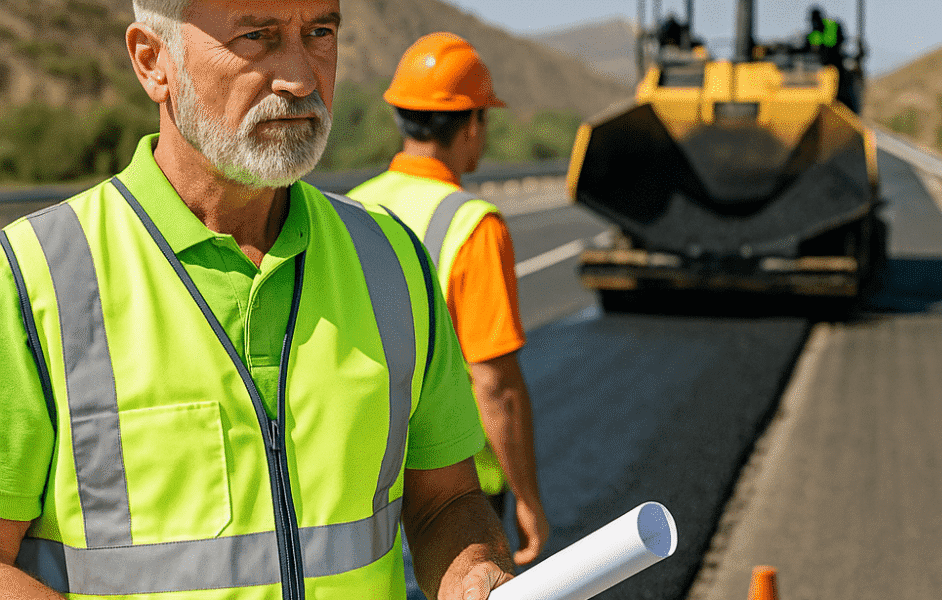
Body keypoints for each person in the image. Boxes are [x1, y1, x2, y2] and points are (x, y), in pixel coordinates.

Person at [0, 2, 515, 599]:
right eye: (257, 37)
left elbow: (446, 499)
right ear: (152, 61)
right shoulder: (32, 279)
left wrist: (473, 570)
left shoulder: (393, 263)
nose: (299, 77)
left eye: (319, 32)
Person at [349, 33, 550, 567]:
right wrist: (527, 499)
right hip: (459, 495)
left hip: (362, 485)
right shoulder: (473, 225)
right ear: (472, 122)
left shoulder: (348, 210)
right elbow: (495, 386)